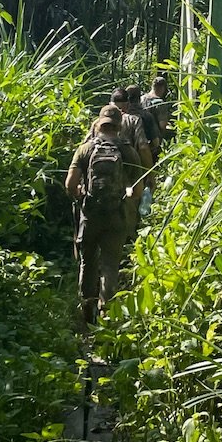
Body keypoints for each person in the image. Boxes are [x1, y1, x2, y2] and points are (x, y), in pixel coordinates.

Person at [65, 106, 141, 324]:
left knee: (87, 261)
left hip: (90, 214)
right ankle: (107, 314)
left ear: (99, 123)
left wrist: (79, 193)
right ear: (119, 126)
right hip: (116, 216)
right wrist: (124, 196)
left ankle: (87, 313)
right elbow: (137, 191)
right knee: (110, 264)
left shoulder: (85, 149)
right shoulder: (127, 151)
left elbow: (70, 184)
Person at [110, 87, 153, 240]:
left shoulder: (98, 123)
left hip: (103, 178)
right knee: (129, 212)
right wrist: (149, 172)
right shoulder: (134, 120)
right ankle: (128, 247)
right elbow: (143, 147)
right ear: (127, 105)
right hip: (128, 176)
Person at [125, 83, 161, 162]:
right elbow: (156, 142)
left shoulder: (122, 116)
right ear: (139, 98)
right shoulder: (147, 116)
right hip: (143, 159)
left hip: (125, 159)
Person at [142, 74, 173, 144]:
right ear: (163, 88)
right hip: (154, 140)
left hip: (141, 138)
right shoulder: (159, 103)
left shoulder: (141, 99)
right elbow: (162, 125)